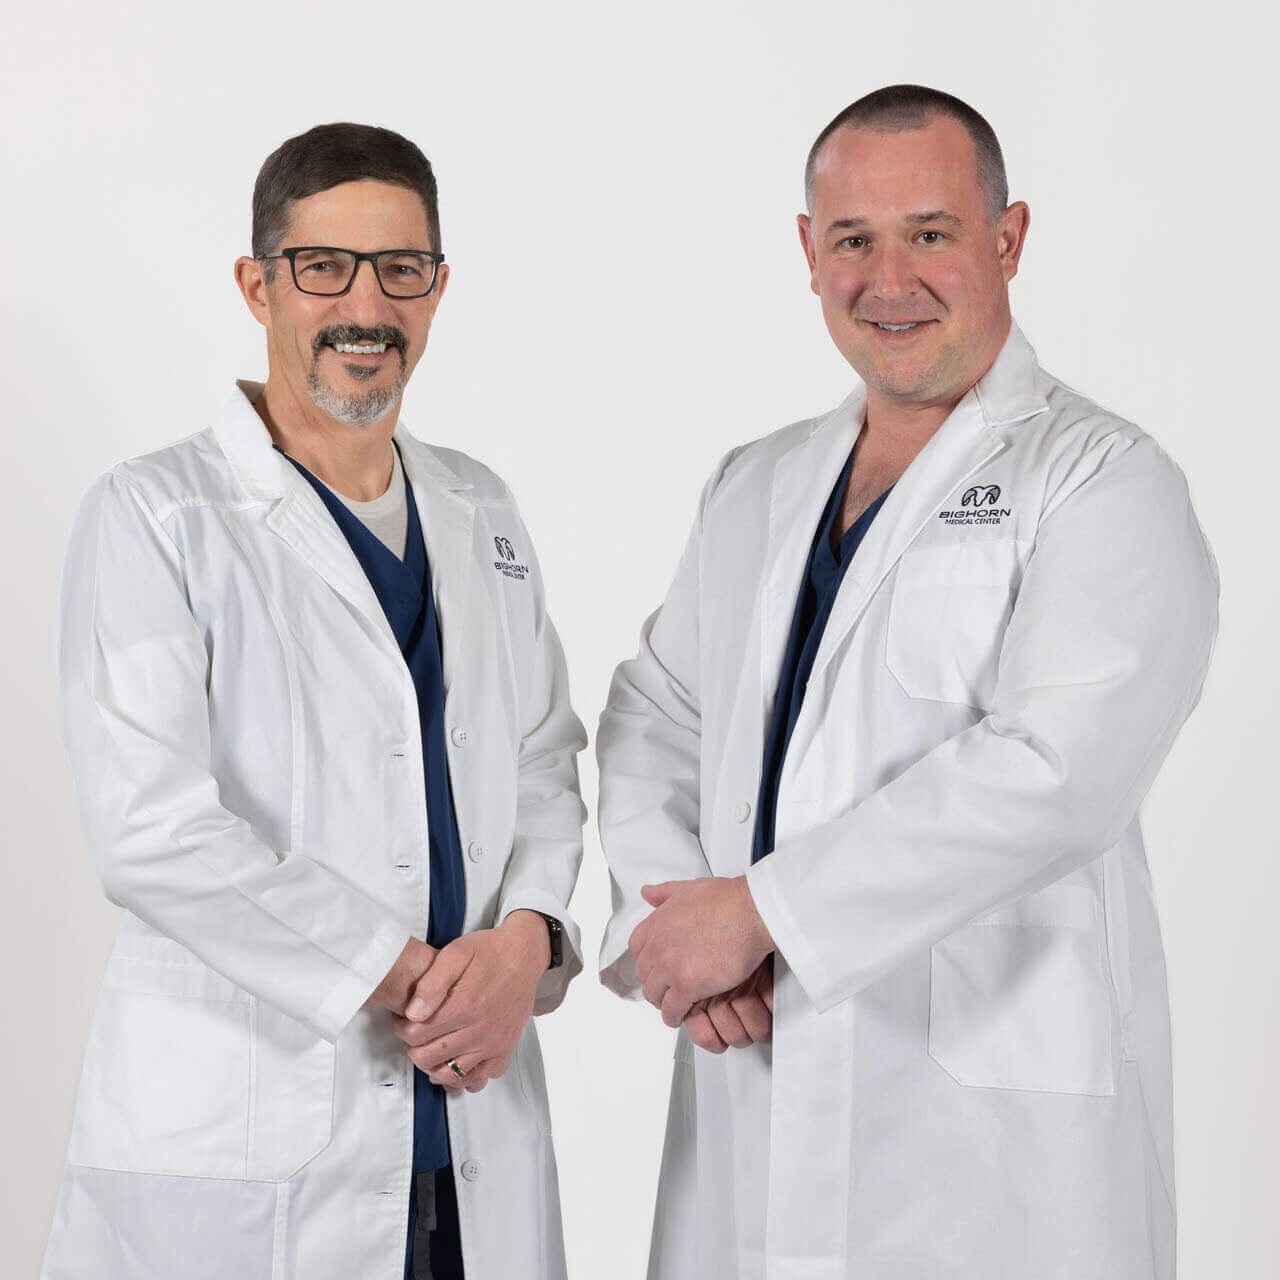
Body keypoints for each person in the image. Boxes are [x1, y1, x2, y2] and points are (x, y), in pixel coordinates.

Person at [596, 84, 1218, 1279]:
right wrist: (673, 926)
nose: (888, 281)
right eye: (852, 240)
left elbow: (1057, 773)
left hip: (989, 1148)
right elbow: (654, 713)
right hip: (752, 1070)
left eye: (929, 233)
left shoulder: (1100, 478)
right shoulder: (754, 483)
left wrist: (760, 915)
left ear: (1007, 236)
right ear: (806, 251)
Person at [41, 122, 587, 1280]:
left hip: (466, 1127)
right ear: (259, 285)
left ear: (437, 288)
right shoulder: (154, 516)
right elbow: (151, 830)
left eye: (401, 269)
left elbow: (543, 755)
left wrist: (527, 936)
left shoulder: (481, 508)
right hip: (250, 1138)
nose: (366, 306)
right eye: (324, 267)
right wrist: (409, 975)